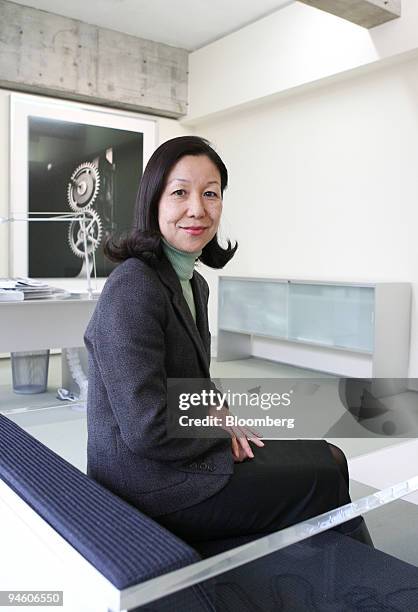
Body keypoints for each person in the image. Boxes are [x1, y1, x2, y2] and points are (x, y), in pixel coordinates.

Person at [84, 135, 372, 548]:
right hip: (150, 483)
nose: (197, 208)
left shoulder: (193, 283)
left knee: (330, 461)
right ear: (153, 202)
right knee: (327, 469)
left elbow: (194, 380)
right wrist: (220, 430)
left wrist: (220, 411)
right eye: (180, 192)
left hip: (181, 456)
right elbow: (146, 429)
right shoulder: (133, 287)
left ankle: (347, 582)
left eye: (211, 194)